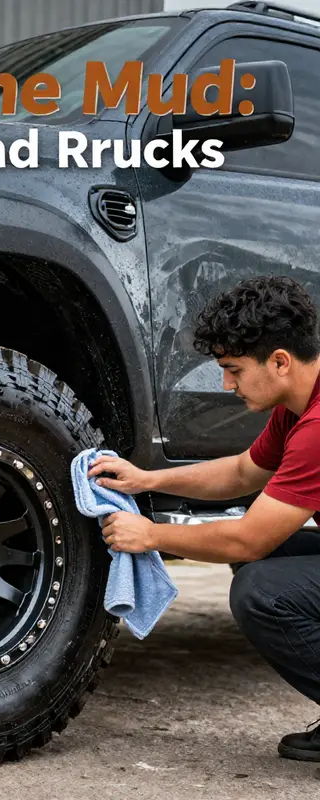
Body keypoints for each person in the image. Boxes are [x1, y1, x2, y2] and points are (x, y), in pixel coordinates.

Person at [88, 275, 320, 762]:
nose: (225, 384)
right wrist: (145, 480)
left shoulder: (318, 427)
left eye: (233, 369)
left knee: (261, 591)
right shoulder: (298, 405)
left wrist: (149, 534)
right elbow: (241, 472)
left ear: (279, 361)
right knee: (271, 562)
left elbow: (246, 541)